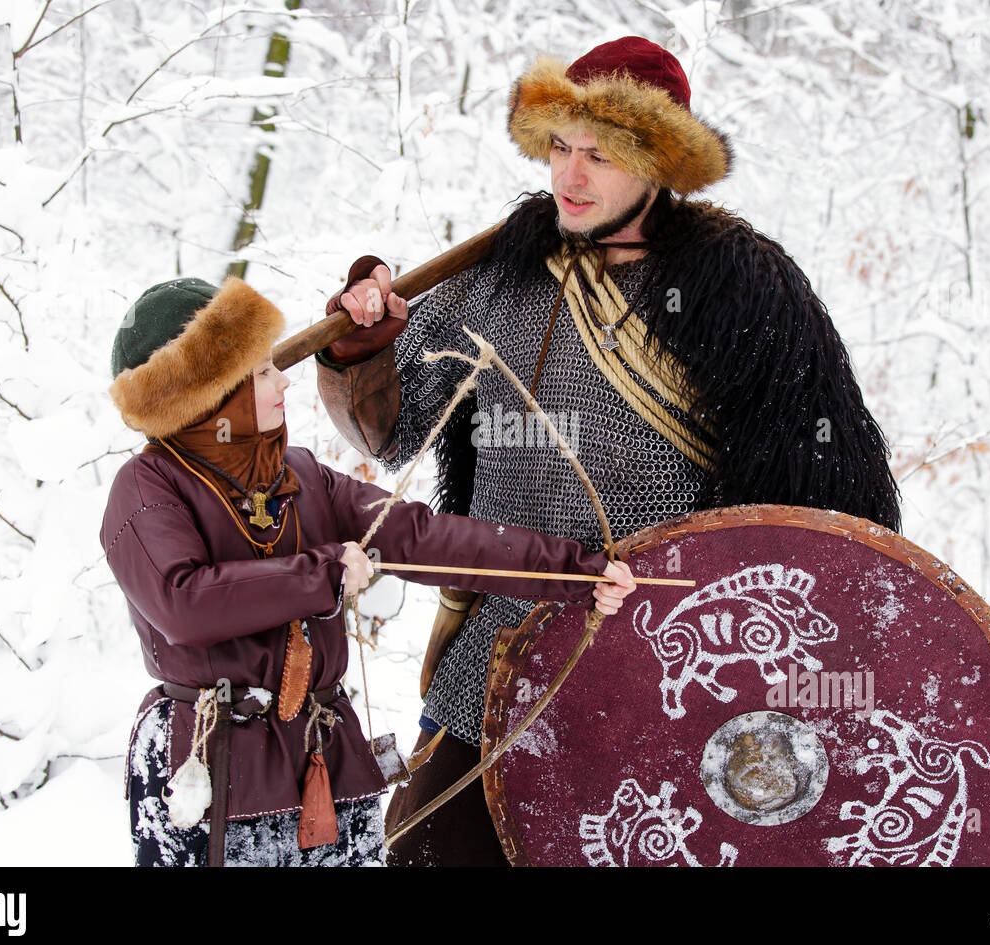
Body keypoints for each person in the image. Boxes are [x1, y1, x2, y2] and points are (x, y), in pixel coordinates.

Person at [317, 36, 902, 865]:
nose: (570, 176)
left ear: (660, 161)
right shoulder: (500, 278)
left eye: (601, 154)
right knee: (427, 849)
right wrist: (362, 351)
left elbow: (815, 508)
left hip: (668, 666)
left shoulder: (746, 291)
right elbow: (390, 431)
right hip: (498, 650)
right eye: (559, 146)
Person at [100, 275, 635, 866]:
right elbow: (184, 604)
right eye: (260, 372)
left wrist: (575, 573)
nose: (282, 379)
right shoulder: (146, 488)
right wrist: (321, 575)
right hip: (215, 768)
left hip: (326, 757)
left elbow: (425, 538)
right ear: (209, 397)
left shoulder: (302, 474)